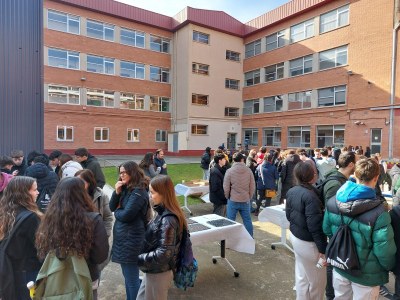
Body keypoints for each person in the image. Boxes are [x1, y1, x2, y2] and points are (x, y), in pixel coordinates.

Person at [323, 158, 396, 300]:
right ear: (376, 178)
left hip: (340, 264)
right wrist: (389, 267)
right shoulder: (380, 213)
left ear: (355, 175)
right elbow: (384, 250)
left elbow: (327, 229)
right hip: (366, 274)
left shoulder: (333, 201)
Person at [35, 177, 109, 300]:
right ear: (82, 194)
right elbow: (100, 255)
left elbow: (42, 250)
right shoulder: (93, 219)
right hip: (87, 276)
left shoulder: (48, 220)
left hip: (55, 277)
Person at [137, 175, 186, 300]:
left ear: (163, 194)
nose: (149, 196)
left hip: (159, 273)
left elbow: (164, 253)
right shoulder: (161, 212)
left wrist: (139, 258)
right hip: (153, 269)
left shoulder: (168, 219)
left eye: (152, 192)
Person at [285, 162, 327, 300]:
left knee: (302, 275)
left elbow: (288, 215)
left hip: (296, 237)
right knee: (317, 282)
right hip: (309, 244)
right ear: (312, 176)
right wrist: (323, 249)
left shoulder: (292, 191)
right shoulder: (311, 196)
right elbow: (314, 226)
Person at [109, 161, 149, 300]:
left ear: (133, 172)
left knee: (131, 279)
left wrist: (118, 213)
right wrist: (116, 192)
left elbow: (126, 215)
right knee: (128, 277)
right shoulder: (126, 188)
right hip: (125, 238)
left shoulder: (138, 191)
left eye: (124, 172)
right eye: (120, 173)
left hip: (131, 239)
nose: (121, 175)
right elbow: (111, 207)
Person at [0, 176, 42, 299]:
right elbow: (40, 248)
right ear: (23, 193)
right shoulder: (30, 217)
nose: (38, 192)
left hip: (8, 271)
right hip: (29, 274)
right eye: (34, 190)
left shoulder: (4, 213)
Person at [321, 151, 356, 300]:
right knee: (332, 262)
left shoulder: (343, 181)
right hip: (336, 232)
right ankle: (331, 294)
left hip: (339, 231)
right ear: (351, 165)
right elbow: (332, 210)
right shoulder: (335, 184)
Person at [223, 152, 255, 237]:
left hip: (233, 199)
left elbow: (226, 187)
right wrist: (249, 197)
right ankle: (250, 239)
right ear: (242, 160)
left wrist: (227, 197)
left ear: (233, 160)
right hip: (245, 199)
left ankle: (229, 240)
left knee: (230, 221)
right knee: (247, 220)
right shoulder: (248, 171)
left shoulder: (229, 171)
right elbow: (252, 186)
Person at [75, 169, 113, 237]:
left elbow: (108, 217)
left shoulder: (101, 195)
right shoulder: (72, 196)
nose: (78, 185)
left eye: (81, 182)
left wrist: (105, 234)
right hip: (78, 237)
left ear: (89, 182)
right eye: (76, 182)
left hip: (96, 235)